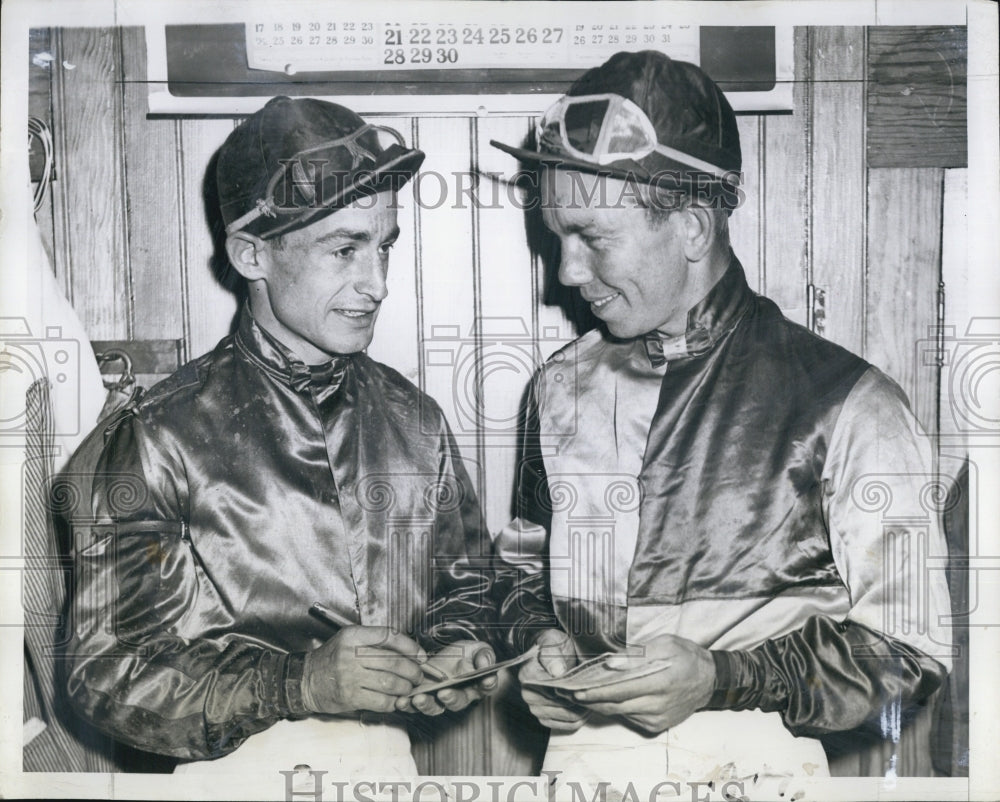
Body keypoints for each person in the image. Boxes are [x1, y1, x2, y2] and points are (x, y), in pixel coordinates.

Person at [490, 51, 953, 787]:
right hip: (579, 768)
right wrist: (538, 643)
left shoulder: (852, 402)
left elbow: (909, 653)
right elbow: (519, 573)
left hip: (758, 767)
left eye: (593, 237)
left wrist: (721, 676)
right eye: (557, 236)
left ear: (694, 227)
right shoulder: (558, 388)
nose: (568, 272)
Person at [63, 97, 500, 775]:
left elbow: (467, 587)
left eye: (384, 246)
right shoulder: (157, 435)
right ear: (250, 253)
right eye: (344, 249)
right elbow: (105, 673)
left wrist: (460, 649)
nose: (377, 283)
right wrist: (296, 684)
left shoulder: (415, 419)